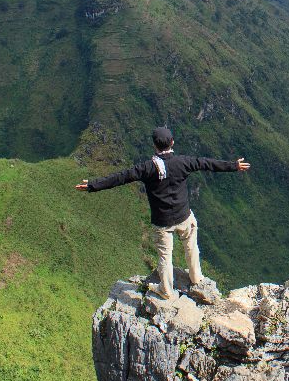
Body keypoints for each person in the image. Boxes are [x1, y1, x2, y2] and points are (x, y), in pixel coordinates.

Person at [76, 126, 250, 301]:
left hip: (163, 222)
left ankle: (166, 290)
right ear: (172, 142)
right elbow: (206, 163)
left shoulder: (147, 168)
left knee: (165, 257)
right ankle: (196, 277)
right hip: (184, 216)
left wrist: (92, 185)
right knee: (191, 246)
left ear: (154, 145)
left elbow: (120, 177)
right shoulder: (183, 162)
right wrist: (234, 165)